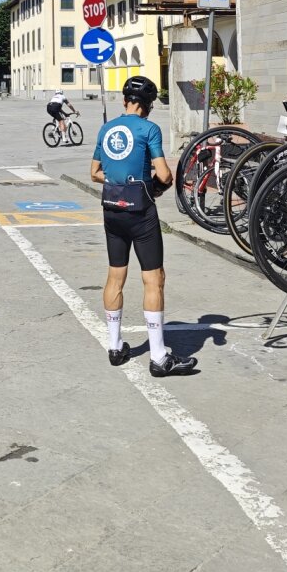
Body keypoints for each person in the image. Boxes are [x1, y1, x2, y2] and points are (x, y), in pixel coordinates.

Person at [91, 75, 195, 377]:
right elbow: (164, 176)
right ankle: (160, 357)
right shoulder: (149, 129)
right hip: (140, 212)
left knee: (115, 276)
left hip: (112, 210)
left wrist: (116, 179)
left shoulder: (107, 128)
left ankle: (114, 346)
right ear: (148, 106)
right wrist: (149, 180)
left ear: (124, 101)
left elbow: (95, 172)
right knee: (153, 279)